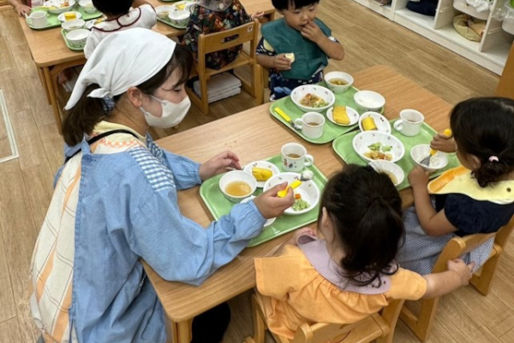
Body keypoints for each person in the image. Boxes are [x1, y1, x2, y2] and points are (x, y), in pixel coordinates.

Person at [29, 28, 294, 343]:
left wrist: (198, 171)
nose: (185, 98)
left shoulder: (100, 123)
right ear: (135, 94)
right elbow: (187, 261)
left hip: (58, 291)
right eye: (177, 89)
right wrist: (255, 211)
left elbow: (153, 157)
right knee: (215, 310)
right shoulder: (137, 177)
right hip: (90, 324)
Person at [254, 165, 474, 339]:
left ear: (325, 219)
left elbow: (265, 284)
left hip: (296, 332)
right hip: (352, 331)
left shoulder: (296, 263)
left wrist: (291, 243)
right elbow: (430, 286)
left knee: (256, 294)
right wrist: (457, 277)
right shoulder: (392, 277)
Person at [398, 97, 514, 275]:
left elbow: (431, 227)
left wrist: (419, 186)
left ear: (475, 161)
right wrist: (455, 147)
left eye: (459, 144)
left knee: (389, 217)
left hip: (441, 246)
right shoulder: (505, 165)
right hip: (478, 234)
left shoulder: (467, 206)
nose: (456, 144)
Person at [256, 0, 344, 100]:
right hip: (283, 93)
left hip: (316, 90)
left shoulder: (317, 30)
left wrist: (321, 39)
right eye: (297, 12)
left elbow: (339, 54)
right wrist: (273, 61)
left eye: (311, 9)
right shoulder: (275, 33)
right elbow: (259, 57)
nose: (305, 17)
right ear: (281, 10)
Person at [181, 0, 260, 70]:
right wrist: (251, 18)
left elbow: (190, 39)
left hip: (210, 60)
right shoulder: (235, 3)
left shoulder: (200, 11)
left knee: (181, 39)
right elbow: (245, 23)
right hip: (232, 53)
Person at [84, 0, 157, 59]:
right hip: (145, 65)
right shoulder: (144, 15)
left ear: (96, 6)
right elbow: (149, 8)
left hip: (117, 74)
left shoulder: (97, 33)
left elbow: (90, 58)